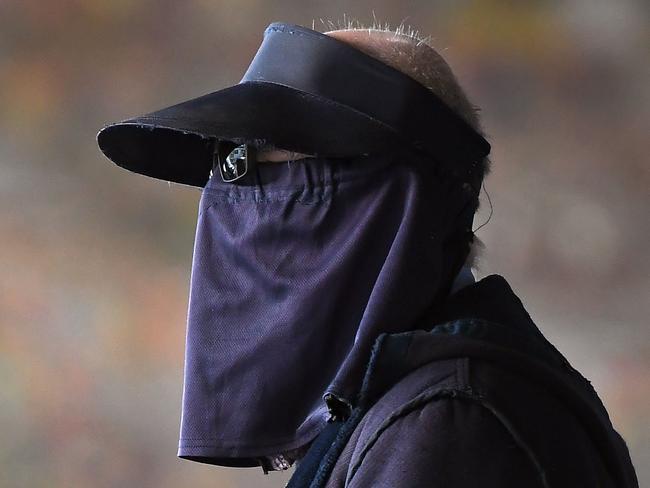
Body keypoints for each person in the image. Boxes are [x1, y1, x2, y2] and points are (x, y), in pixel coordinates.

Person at [96, 21, 638, 488]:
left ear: (387, 196)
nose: (232, 203)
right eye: (230, 168)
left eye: (267, 168)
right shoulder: (408, 403)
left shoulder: (452, 423)